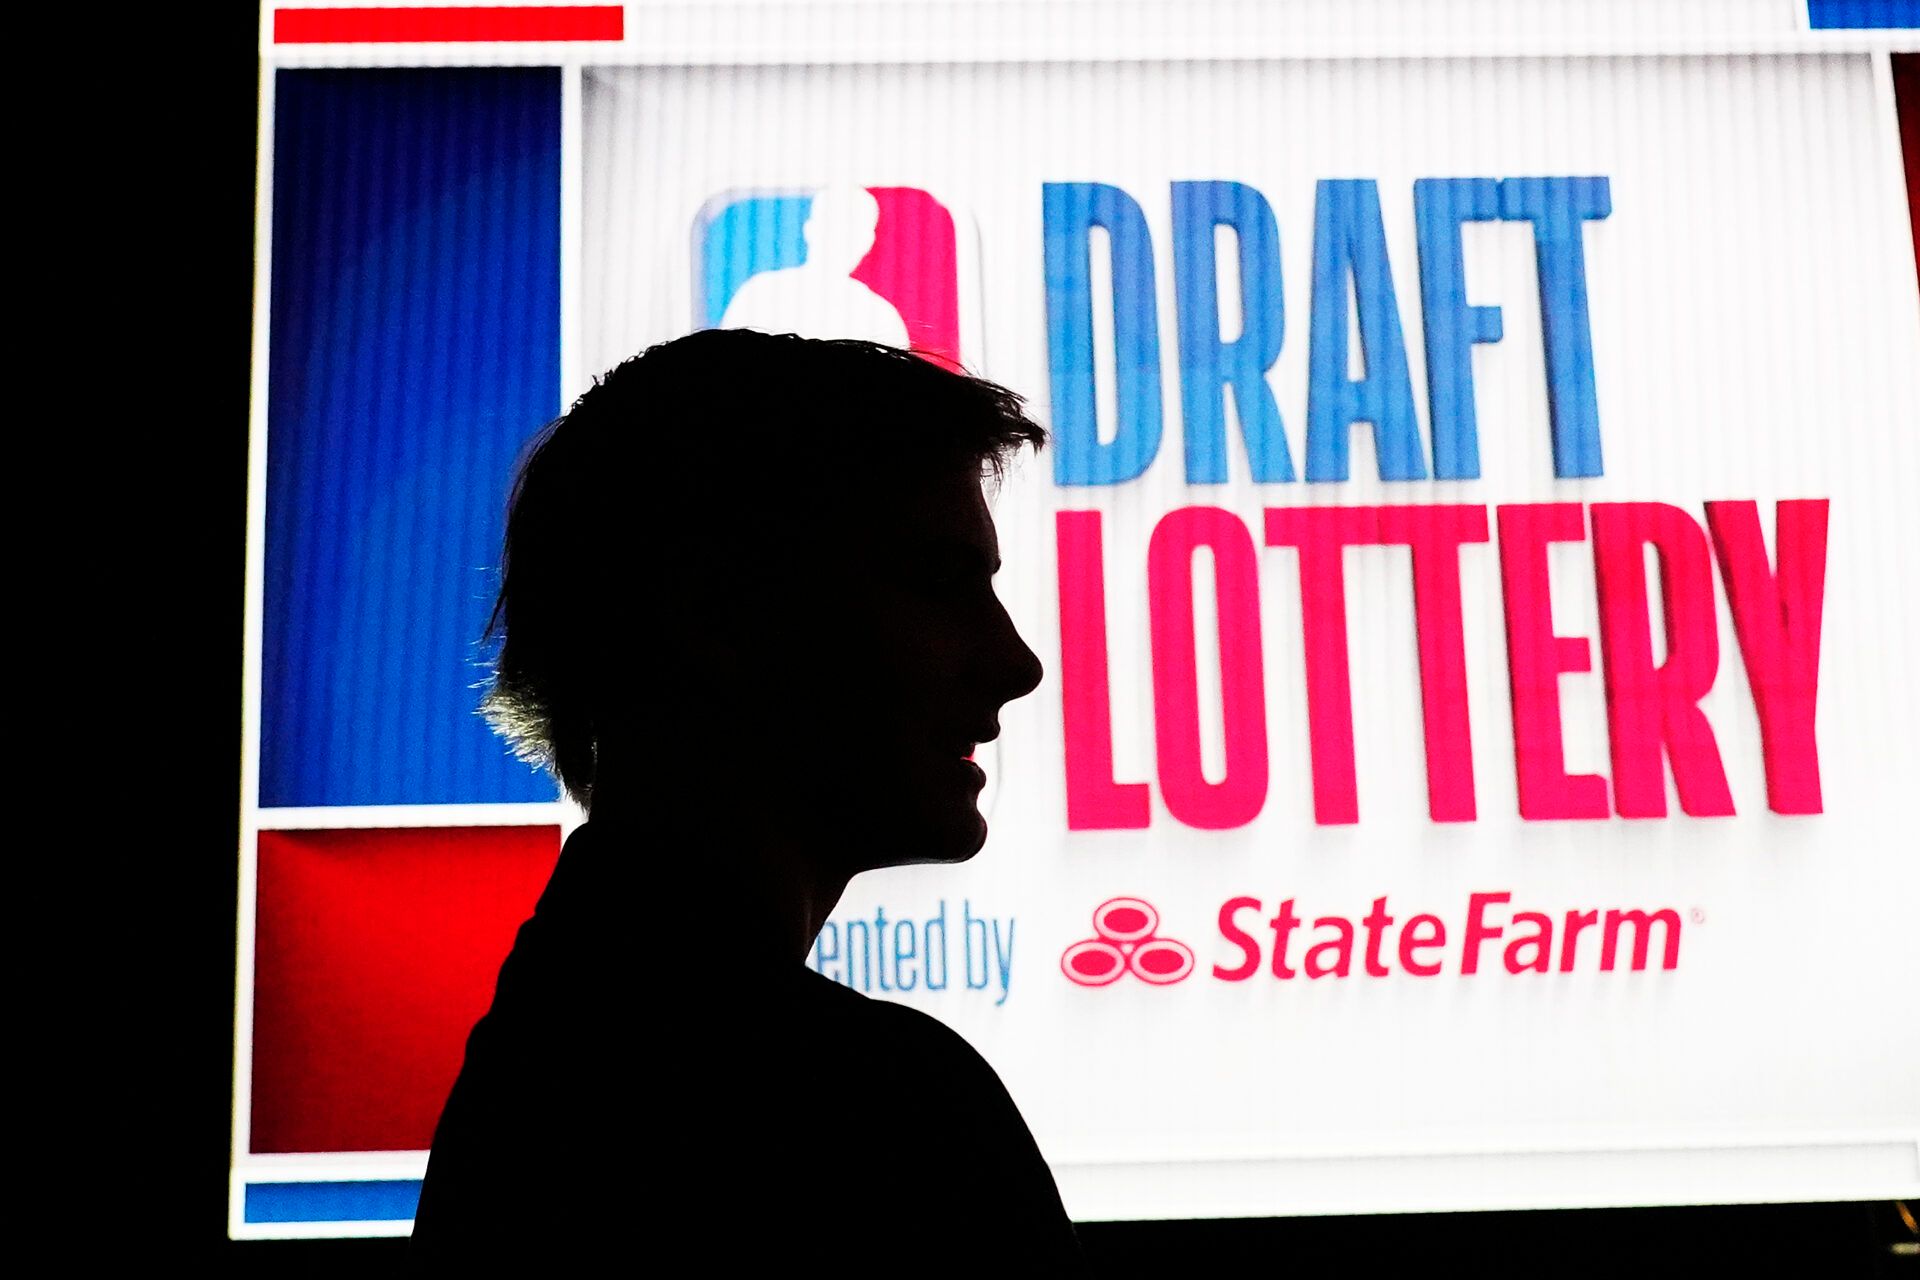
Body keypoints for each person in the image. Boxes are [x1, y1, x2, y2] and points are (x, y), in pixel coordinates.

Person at [411, 329, 1084, 1270]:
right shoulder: (865, 1115)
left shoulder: (552, 1065)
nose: (1017, 665)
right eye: (937, 586)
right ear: (717, 613)